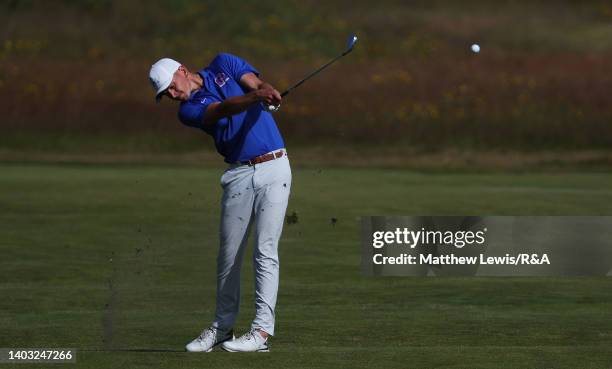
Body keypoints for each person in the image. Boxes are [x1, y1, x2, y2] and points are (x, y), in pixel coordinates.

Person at [148, 54, 292, 352]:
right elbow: (224, 108)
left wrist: (268, 91)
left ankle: (261, 333)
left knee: (265, 251)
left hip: (275, 166)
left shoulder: (224, 63)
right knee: (228, 258)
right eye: (166, 94)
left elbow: (256, 83)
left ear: (183, 71)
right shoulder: (187, 111)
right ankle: (223, 328)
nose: (173, 95)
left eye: (171, 87)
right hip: (239, 174)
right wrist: (256, 96)